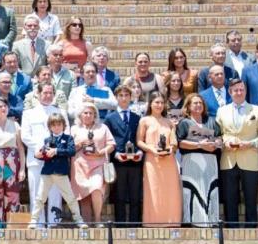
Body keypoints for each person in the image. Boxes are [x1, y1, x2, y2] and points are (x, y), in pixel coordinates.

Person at [215, 79, 258, 228]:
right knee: (229, 198)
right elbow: (217, 133)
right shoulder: (222, 110)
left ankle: (251, 229)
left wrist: (252, 143)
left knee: (251, 198)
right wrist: (224, 141)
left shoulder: (256, 110)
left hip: (250, 158)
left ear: (245, 91)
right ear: (230, 92)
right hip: (228, 159)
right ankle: (232, 230)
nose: (239, 93)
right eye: (236, 90)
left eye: (241, 90)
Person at [28, 113, 86, 228]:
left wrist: (56, 151)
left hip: (61, 173)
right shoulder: (47, 139)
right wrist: (38, 155)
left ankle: (78, 220)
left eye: (59, 124)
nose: (56, 127)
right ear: (49, 127)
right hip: (47, 172)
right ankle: (34, 220)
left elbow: (71, 152)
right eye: (53, 125)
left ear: (63, 125)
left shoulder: (68, 138)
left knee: (70, 198)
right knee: (40, 197)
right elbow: (44, 153)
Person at [20, 82, 66, 226]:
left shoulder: (60, 113)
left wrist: (55, 150)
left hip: (56, 159)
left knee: (55, 193)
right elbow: (25, 136)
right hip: (37, 159)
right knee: (36, 194)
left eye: (51, 93)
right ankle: (38, 225)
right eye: (45, 93)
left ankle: (54, 225)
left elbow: (67, 134)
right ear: (38, 94)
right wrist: (42, 149)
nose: (48, 96)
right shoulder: (28, 113)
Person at [176, 93, 221, 227]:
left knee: (210, 189)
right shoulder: (184, 122)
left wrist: (215, 144)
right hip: (191, 161)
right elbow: (180, 142)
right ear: (188, 106)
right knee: (192, 189)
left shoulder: (211, 121)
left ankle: (211, 221)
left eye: (200, 103)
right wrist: (200, 145)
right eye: (195, 103)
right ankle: (193, 222)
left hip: (210, 161)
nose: (198, 105)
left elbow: (219, 137)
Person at [137, 92, 181, 227]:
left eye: (162, 102)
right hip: (152, 160)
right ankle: (152, 222)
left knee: (171, 191)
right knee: (153, 190)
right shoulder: (144, 120)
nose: (159, 105)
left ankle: (172, 221)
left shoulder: (170, 122)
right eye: (156, 102)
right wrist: (151, 149)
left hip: (169, 161)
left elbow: (174, 143)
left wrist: (170, 149)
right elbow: (139, 141)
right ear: (150, 103)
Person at [105, 85, 143, 226]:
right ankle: (120, 225)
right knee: (119, 195)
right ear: (116, 98)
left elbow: (140, 138)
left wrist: (140, 151)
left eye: (126, 95)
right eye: (120, 95)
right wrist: (115, 154)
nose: (124, 98)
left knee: (135, 195)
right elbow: (107, 140)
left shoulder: (137, 118)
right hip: (119, 161)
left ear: (131, 97)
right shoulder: (110, 118)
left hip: (135, 162)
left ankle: (135, 224)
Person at [70, 104, 114, 224]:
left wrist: (101, 152)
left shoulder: (103, 127)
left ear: (95, 115)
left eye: (91, 113)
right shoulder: (74, 129)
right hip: (80, 166)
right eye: (85, 113)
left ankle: (98, 220)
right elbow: (68, 149)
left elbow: (111, 145)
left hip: (98, 164)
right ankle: (87, 225)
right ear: (80, 115)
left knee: (96, 189)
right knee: (84, 196)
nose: (88, 115)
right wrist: (80, 144)